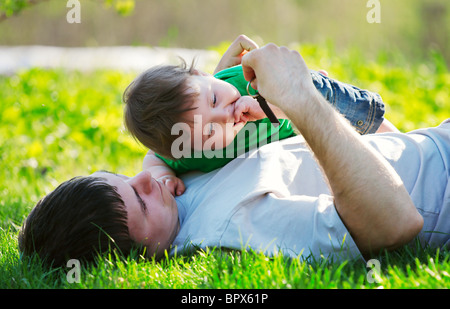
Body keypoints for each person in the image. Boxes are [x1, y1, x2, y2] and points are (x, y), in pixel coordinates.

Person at [20, 43, 449, 269]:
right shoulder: (235, 225)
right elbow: (396, 223)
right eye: (141, 201)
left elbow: (165, 154)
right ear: (140, 255)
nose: (148, 180)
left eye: (126, 178)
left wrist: (210, 97)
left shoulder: (174, 195)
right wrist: (299, 97)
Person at [123, 35, 390, 197]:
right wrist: (163, 176)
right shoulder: (187, 152)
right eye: (210, 131)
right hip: (297, 144)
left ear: (204, 76)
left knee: (359, 120)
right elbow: (153, 158)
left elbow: (291, 89)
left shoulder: (245, 80)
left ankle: (405, 140)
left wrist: (280, 96)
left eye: (214, 98)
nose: (224, 115)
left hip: (303, 111)